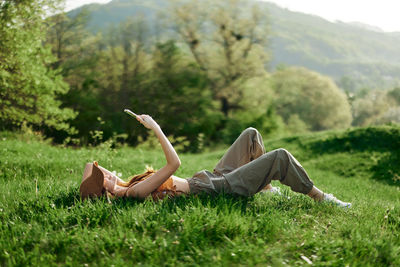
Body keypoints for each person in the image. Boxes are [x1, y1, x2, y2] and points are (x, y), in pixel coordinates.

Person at [80, 114, 351, 208]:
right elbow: (174, 164)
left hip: (210, 178)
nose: (111, 172)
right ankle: (321, 197)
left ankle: (265, 189)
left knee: (251, 135)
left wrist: (96, 174)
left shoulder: (130, 185)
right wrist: (156, 129)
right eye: (106, 177)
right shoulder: (133, 192)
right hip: (215, 189)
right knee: (279, 156)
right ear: (106, 189)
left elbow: (90, 167)